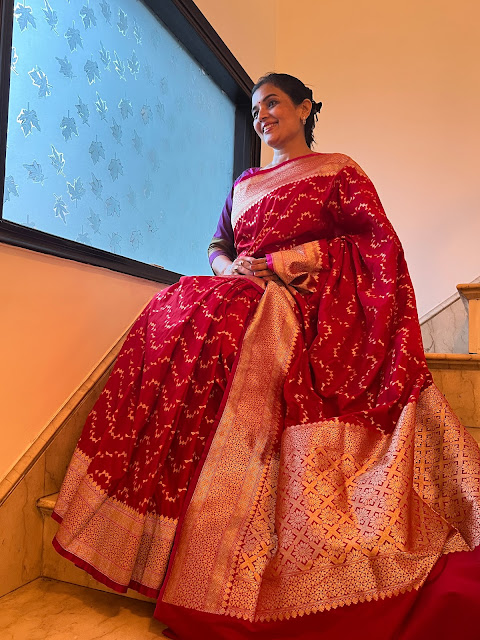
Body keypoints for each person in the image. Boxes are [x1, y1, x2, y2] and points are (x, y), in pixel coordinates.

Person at [52, 73, 480, 639]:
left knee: (241, 319)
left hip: (307, 301)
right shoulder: (244, 184)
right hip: (242, 287)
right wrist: (229, 268)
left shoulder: (338, 170)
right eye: (255, 110)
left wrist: (283, 264)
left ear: (305, 109)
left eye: (272, 103)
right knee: (175, 305)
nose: (261, 116)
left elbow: (375, 244)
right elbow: (218, 244)